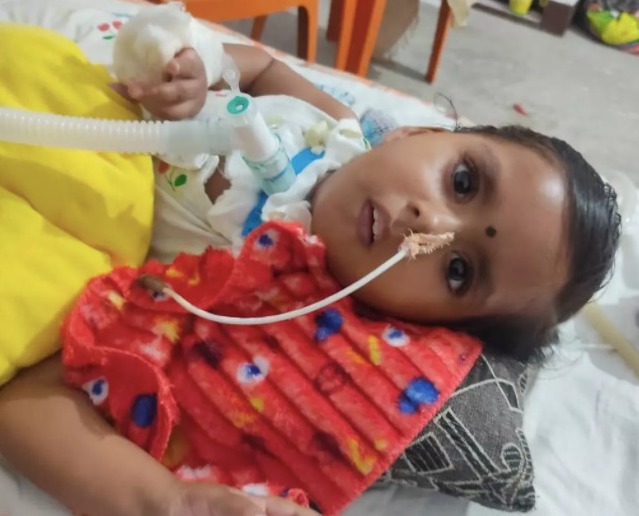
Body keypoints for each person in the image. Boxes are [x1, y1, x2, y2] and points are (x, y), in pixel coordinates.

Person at [0, 7, 621, 516]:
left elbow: (32, 393)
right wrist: (200, 70)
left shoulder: (263, 306)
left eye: (459, 270)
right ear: (420, 134)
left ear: (428, 323)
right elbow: (263, 67)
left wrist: (166, 500)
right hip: (70, 108)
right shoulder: (334, 127)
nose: (429, 223)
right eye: (463, 182)